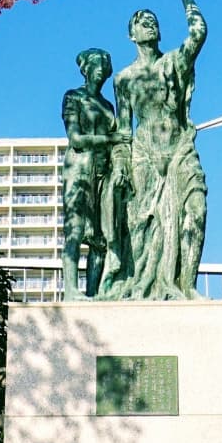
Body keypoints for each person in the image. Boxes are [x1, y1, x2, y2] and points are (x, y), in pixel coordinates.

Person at [112, 0, 207, 300]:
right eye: (142, 23)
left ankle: (187, 284)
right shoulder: (123, 79)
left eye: (153, 22)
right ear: (131, 35)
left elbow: (198, 33)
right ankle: (142, 283)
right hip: (143, 154)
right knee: (140, 227)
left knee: (195, 210)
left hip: (179, 147)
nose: (149, 25)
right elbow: (123, 128)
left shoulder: (174, 62)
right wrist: (122, 163)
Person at [60, 47, 128, 299]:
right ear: (85, 68)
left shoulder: (108, 104)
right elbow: (76, 139)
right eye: (95, 62)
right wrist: (111, 137)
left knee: (100, 237)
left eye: (104, 63)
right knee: (75, 230)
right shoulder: (73, 97)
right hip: (79, 168)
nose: (100, 67)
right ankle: (70, 290)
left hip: (104, 172)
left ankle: (93, 292)